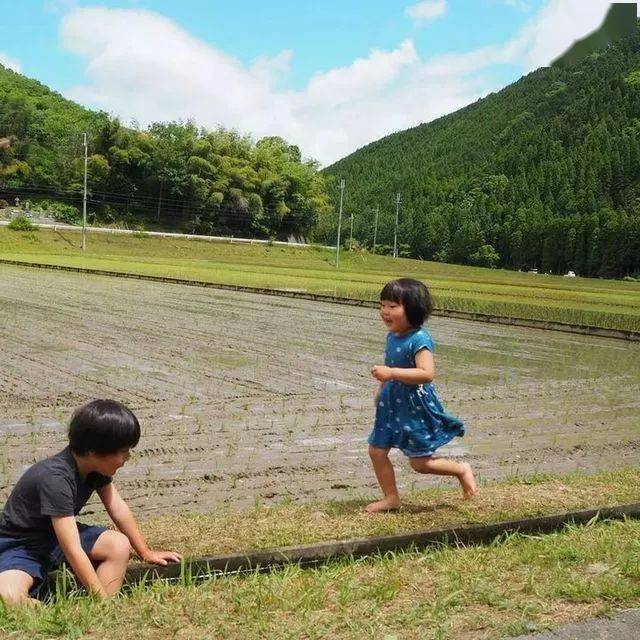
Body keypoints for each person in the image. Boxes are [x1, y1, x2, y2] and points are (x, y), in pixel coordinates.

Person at [0, 399, 181, 605]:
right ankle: (91, 603)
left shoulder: (93, 468)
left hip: (56, 540)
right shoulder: (55, 479)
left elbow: (117, 507)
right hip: (22, 547)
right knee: (9, 596)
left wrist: (145, 552)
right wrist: (100, 597)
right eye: (123, 451)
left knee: (119, 544)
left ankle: (101, 611)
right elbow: (72, 548)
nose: (128, 457)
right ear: (94, 451)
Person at [366, 278, 477, 513]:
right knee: (376, 451)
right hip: (391, 405)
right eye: (382, 305)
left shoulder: (419, 339)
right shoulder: (392, 336)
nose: (385, 311)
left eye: (392, 306)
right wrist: (381, 391)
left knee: (420, 463)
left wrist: (391, 373)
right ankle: (391, 498)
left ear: (413, 309)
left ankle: (461, 470)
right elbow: (390, 372)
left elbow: (427, 373)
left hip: (413, 407)